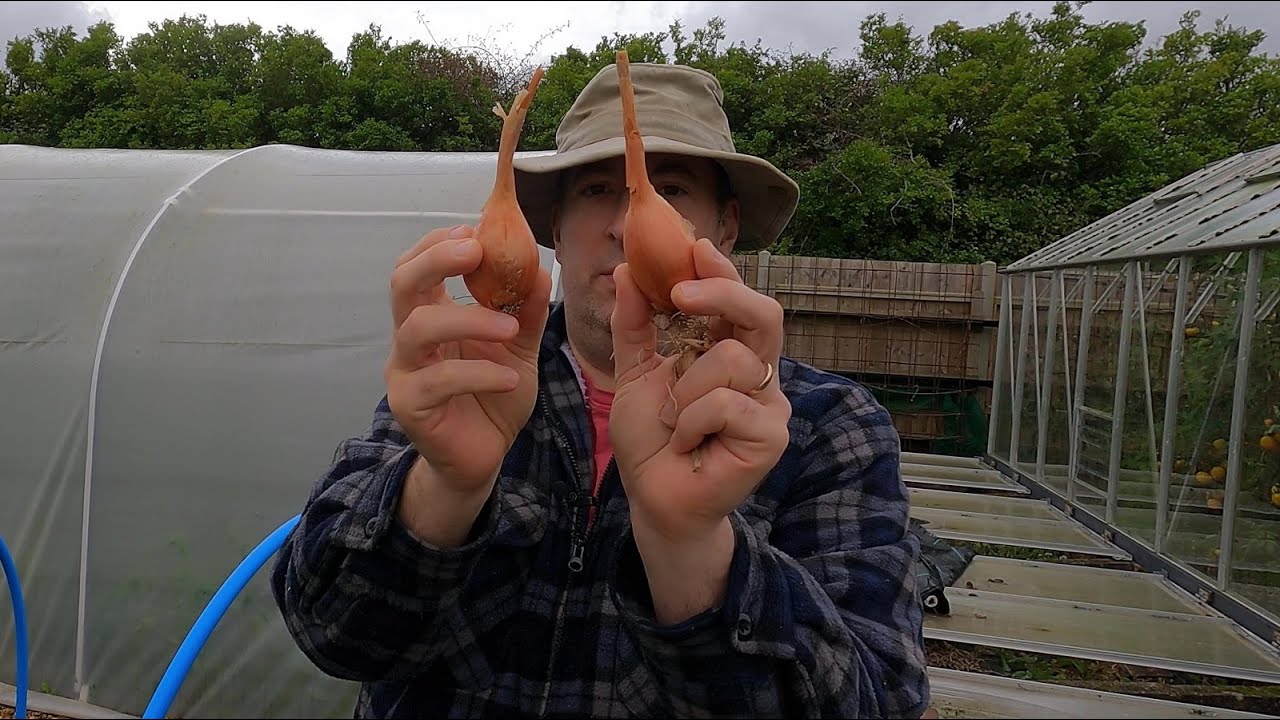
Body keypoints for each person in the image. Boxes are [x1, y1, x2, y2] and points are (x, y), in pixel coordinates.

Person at [270, 60, 930, 719]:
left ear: (725, 226)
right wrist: (443, 489)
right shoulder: (467, 377)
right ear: (554, 229)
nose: (623, 224)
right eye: (593, 191)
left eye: (667, 189)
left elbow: (880, 700)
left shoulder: (829, 427)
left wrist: (691, 549)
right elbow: (328, 631)